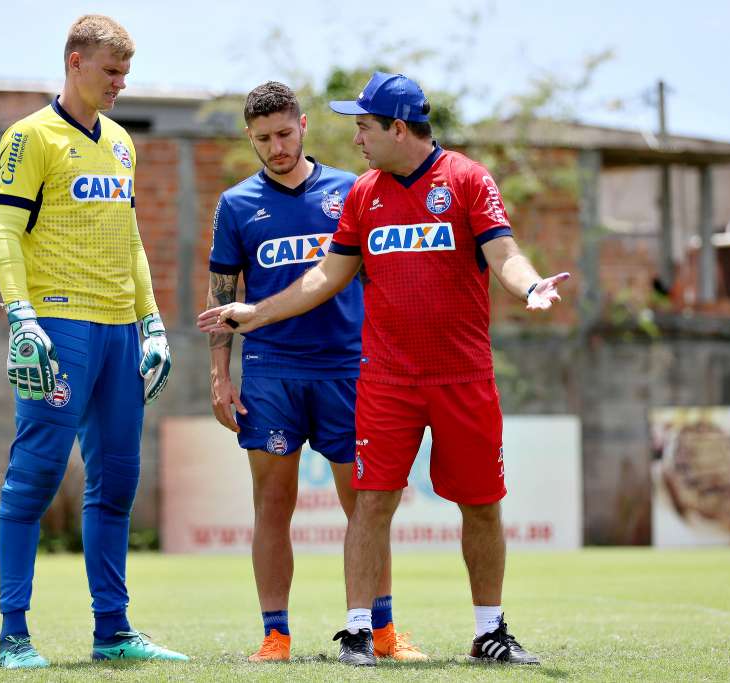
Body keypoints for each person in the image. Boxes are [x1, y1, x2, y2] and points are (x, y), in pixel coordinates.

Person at [199, 71, 570, 667]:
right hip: (383, 380)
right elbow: (326, 275)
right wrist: (253, 317)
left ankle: (487, 630)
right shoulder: (363, 195)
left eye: (365, 126)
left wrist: (529, 288)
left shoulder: (467, 180)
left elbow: (505, 253)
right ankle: (354, 633)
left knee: (480, 503)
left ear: (398, 128)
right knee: (371, 501)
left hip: (457, 375)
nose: (357, 138)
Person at [0, 14, 186, 669]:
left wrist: (151, 320)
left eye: (125, 73)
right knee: (36, 476)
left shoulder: (123, 142)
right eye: (111, 71)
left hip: (119, 332)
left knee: (119, 480)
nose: (121, 84)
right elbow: (2, 232)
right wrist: (22, 315)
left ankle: (113, 631)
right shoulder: (30, 136)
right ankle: (14, 635)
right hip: (58, 327)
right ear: (75, 61)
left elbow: (129, 240)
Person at [204, 81, 426, 663]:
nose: (275, 147)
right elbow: (223, 298)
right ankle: (275, 636)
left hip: (350, 371)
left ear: (303, 125)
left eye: (283, 133)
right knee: (272, 506)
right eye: (262, 139)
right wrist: (219, 375)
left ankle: (382, 633)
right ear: (248, 138)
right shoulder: (235, 205)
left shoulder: (350, 191)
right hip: (271, 372)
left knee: (367, 507)